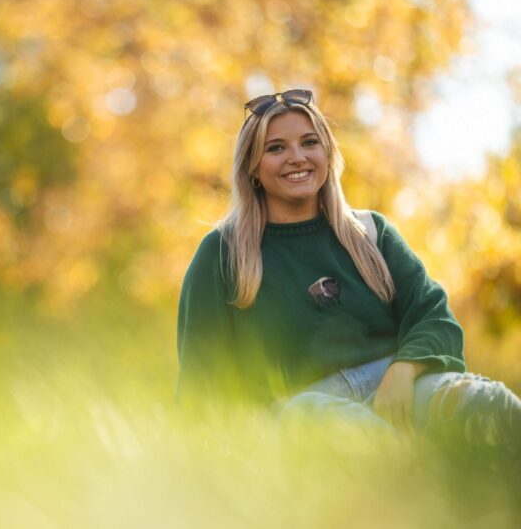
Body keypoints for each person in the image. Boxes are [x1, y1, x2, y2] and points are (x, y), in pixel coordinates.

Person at [176, 89, 521, 462]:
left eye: (310, 143)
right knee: (360, 442)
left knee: (490, 407)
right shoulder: (222, 254)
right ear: (252, 168)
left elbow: (433, 317)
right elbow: (202, 382)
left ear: (327, 155)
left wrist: (403, 372)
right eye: (276, 148)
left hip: (395, 386)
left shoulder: (370, 233)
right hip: (301, 412)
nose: (297, 157)